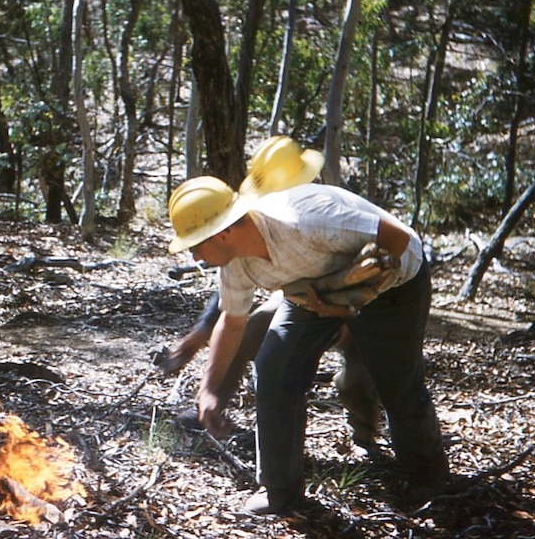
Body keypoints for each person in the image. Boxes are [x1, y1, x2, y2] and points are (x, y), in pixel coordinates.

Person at [166, 138, 449, 514]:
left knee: (395, 380)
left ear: (223, 232)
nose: (196, 256)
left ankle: (430, 476)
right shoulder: (235, 262)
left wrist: (356, 296)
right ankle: (280, 490)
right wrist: (210, 390)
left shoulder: (306, 220)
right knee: (274, 365)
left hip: (395, 283)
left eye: (196, 245)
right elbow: (232, 323)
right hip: (315, 291)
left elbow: (397, 238)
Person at [160, 137, 381, 450]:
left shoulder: (329, 215)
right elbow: (233, 299)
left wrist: (344, 309)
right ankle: (209, 412)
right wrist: (200, 338)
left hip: (358, 297)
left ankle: (367, 434)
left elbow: (378, 263)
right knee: (252, 331)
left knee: (359, 377)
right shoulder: (258, 217)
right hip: (301, 296)